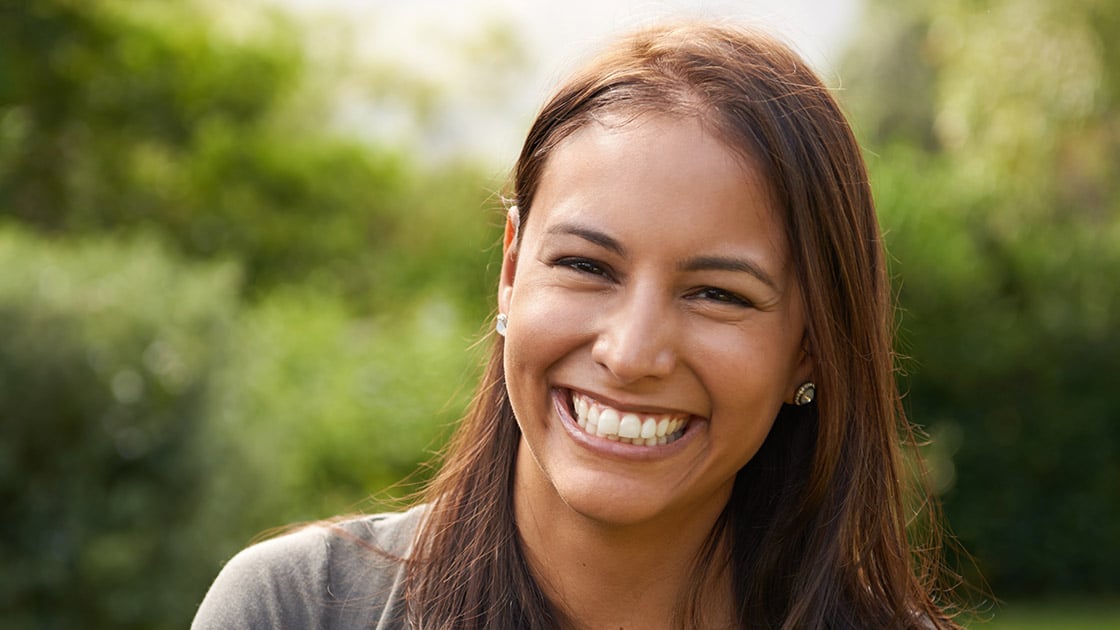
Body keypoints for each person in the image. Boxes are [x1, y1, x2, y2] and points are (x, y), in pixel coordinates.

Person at [192, 20, 964, 629]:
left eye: (717, 295)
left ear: (810, 348)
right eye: (588, 267)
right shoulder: (294, 611)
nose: (630, 354)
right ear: (510, 268)